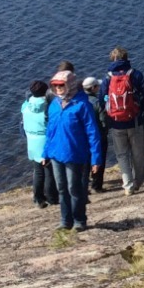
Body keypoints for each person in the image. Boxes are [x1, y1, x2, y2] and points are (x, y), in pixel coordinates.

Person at [43, 69, 102, 230]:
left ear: (70, 85)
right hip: (56, 154)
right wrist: (45, 152)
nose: (58, 89)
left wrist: (96, 159)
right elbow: (50, 130)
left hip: (75, 154)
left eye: (61, 86)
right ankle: (65, 221)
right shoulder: (54, 104)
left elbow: (93, 133)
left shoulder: (82, 105)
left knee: (74, 189)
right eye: (55, 86)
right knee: (62, 188)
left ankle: (79, 221)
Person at [103, 47, 144, 196]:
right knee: (137, 153)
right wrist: (140, 108)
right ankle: (138, 182)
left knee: (122, 155)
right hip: (135, 121)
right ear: (126, 58)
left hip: (117, 122)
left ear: (112, 59)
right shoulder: (135, 75)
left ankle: (128, 185)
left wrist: (110, 113)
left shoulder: (108, 78)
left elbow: (101, 99)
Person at [21, 81, 58, 209]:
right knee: (49, 172)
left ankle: (38, 199)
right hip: (45, 142)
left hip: (31, 142)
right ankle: (52, 197)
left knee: (38, 172)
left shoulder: (26, 106)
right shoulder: (49, 106)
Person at [82, 77, 109, 192]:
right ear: (93, 88)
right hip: (98, 136)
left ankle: (84, 186)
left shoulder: (79, 101)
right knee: (99, 160)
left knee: (85, 162)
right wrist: (105, 132)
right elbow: (104, 121)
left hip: (83, 137)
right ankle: (96, 185)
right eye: (97, 86)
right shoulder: (98, 103)